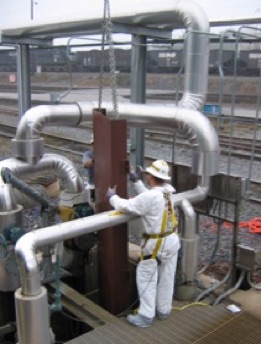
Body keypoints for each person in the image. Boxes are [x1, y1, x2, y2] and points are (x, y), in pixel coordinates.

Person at [106, 159, 180, 328]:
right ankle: (164, 310)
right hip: (172, 240)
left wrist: (112, 197)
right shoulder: (167, 193)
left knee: (146, 276)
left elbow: (128, 206)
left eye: (147, 175)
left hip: (156, 243)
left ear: (151, 177)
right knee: (167, 276)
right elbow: (148, 197)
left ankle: (146, 315)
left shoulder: (150, 196)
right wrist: (135, 179)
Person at [82, 135, 95, 202]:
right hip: (93, 185)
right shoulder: (88, 154)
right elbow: (86, 164)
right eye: (93, 144)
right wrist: (95, 160)